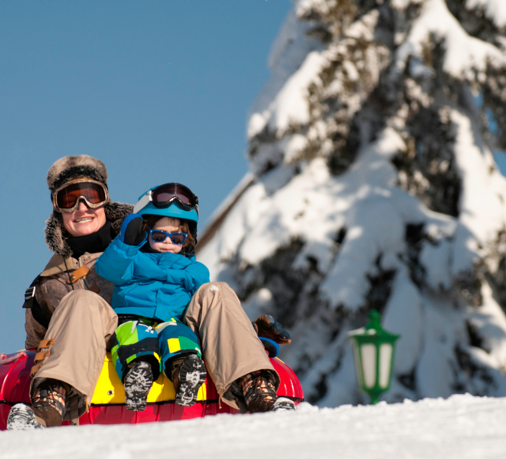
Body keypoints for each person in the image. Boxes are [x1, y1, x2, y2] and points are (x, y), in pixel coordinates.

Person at [7, 155, 294, 431]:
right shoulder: (49, 284)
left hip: (176, 333)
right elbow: (36, 349)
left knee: (215, 291)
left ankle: (257, 389)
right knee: (82, 301)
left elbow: (199, 304)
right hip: (107, 347)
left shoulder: (146, 236)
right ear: (57, 208)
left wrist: (246, 330)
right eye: (69, 200)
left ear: (105, 198)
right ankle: (51, 402)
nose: (82, 207)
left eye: (91, 195)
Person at [95, 185, 209, 411]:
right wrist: (125, 245)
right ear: (145, 234)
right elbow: (108, 269)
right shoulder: (133, 260)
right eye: (159, 235)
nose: (168, 242)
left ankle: (185, 372)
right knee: (136, 338)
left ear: (186, 240)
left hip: (172, 320)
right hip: (132, 318)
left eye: (177, 237)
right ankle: (138, 373)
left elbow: (205, 293)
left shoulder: (193, 269)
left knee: (181, 337)